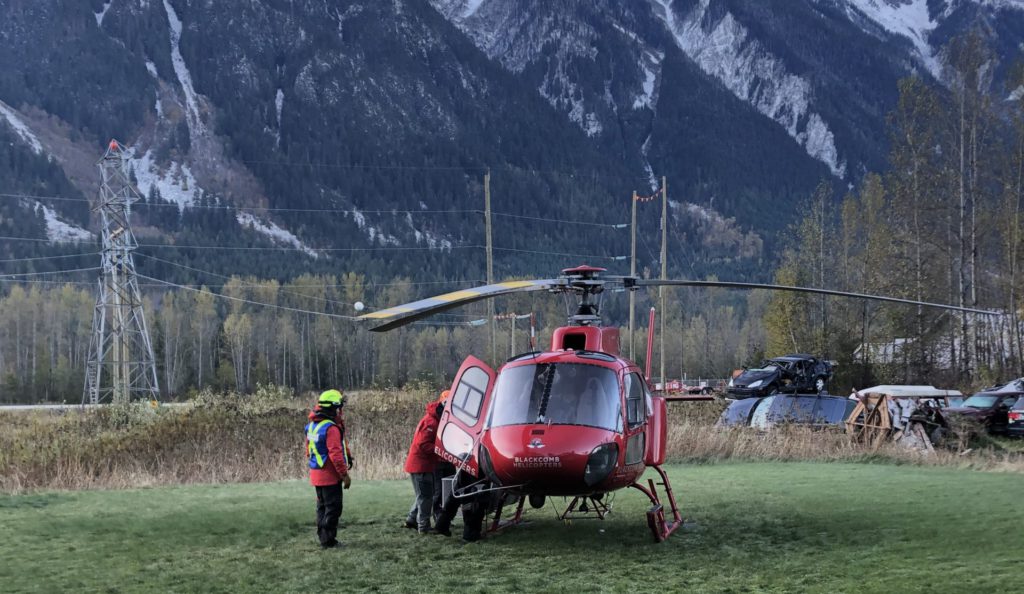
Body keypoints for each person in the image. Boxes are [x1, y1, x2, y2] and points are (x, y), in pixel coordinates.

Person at [304, 389, 352, 549]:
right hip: (330, 477)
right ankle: (329, 540)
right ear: (333, 408)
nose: (340, 411)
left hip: (316, 475)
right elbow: (336, 454)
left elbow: (308, 450)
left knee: (322, 507)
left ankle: (323, 538)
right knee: (334, 508)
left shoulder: (312, 425)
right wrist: (344, 475)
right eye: (339, 408)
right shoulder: (331, 428)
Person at [404, 399, 443, 533]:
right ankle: (424, 526)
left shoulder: (431, 420)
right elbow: (422, 444)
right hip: (421, 467)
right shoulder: (431, 423)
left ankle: (412, 518)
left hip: (422, 465)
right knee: (426, 497)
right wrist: (440, 449)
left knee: (424, 495)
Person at [432, 390, 456, 524]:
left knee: (450, 490)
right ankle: (437, 516)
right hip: (439, 461)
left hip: (449, 459)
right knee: (438, 492)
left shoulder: (453, 418)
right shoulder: (435, 419)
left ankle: (446, 517)